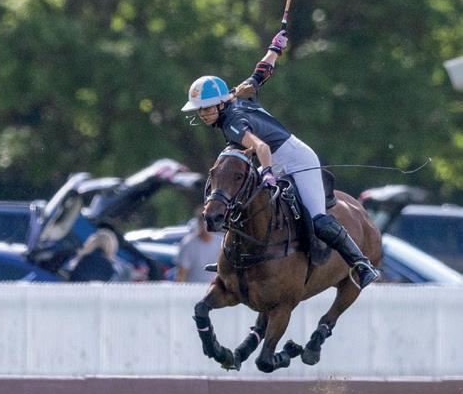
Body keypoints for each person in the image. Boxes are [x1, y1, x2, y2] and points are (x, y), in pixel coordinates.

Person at [181, 30, 379, 289]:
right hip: (277, 161)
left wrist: (266, 173)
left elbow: (261, 147)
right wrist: (275, 48)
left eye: (206, 108)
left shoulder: (232, 123)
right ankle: (232, 258)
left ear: (219, 105)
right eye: (200, 110)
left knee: (318, 219)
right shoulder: (238, 96)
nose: (203, 114)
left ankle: (360, 264)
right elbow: (261, 71)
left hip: (297, 160)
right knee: (245, 203)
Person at [63, 228, 133, 282]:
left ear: (91, 243)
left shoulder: (77, 260)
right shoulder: (118, 267)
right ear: (112, 247)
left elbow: (66, 275)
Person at [175, 206, 223, 283]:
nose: (205, 223)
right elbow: (181, 274)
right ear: (198, 222)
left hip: (214, 288)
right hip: (193, 288)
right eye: (202, 220)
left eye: (208, 219)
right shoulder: (188, 244)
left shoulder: (221, 242)